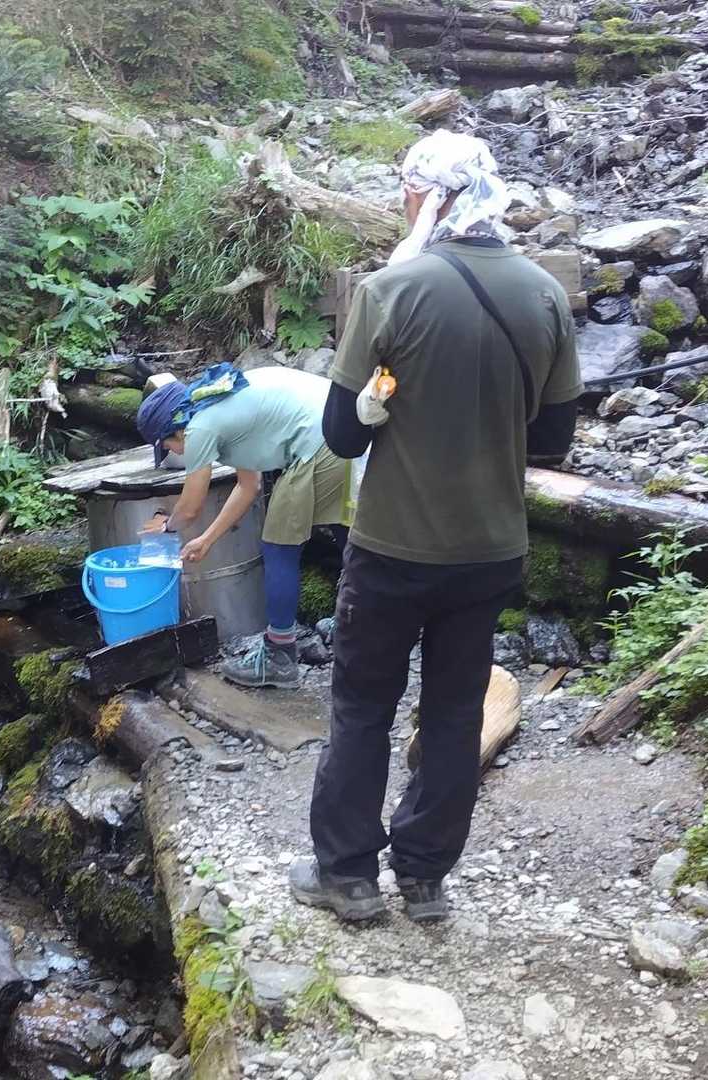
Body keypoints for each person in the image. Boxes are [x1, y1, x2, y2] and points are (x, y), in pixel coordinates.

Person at [290, 131, 582, 924]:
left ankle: (348, 876)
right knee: (454, 713)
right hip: (489, 551)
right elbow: (554, 440)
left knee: (362, 708)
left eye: (405, 188)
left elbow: (342, 437)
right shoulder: (544, 294)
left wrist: (380, 407)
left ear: (427, 194)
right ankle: (424, 878)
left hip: (393, 546)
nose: (401, 201)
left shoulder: (391, 289)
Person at [136, 363, 352, 690]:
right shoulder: (217, 401)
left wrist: (168, 526)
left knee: (279, 546)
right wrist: (207, 539)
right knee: (345, 528)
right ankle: (363, 619)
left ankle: (279, 656)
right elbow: (248, 486)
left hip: (321, 440)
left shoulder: (199, 427)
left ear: (175, 429)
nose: (172, 451)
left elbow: (191, 507)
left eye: (166, 445)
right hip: (348, 425)